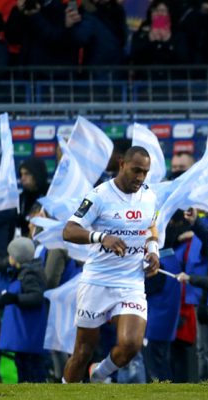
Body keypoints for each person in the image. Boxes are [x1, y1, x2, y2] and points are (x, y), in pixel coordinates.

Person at [61, 146, 160, 383]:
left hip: (131, 281)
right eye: (136, 170)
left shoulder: (149, 196)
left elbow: (151, 226)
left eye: (145, 172)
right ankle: (64, 394)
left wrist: (154, 251)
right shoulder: (99, 196)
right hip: (97, 280)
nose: (140, 177)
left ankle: (99, 375)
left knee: (131, 345)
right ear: (121, 163)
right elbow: (69, 230)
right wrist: (100, 237)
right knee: (82, 351)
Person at [0, 236, 48, 383]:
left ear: (17, 257)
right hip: (23, 337)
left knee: (31, 370)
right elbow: (7, 297)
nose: (8, 257)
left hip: (29, 335)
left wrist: (16, 299)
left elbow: (37, 297)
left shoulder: (30, 274)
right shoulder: (23, 271)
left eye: (10, 254)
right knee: (22, 366)